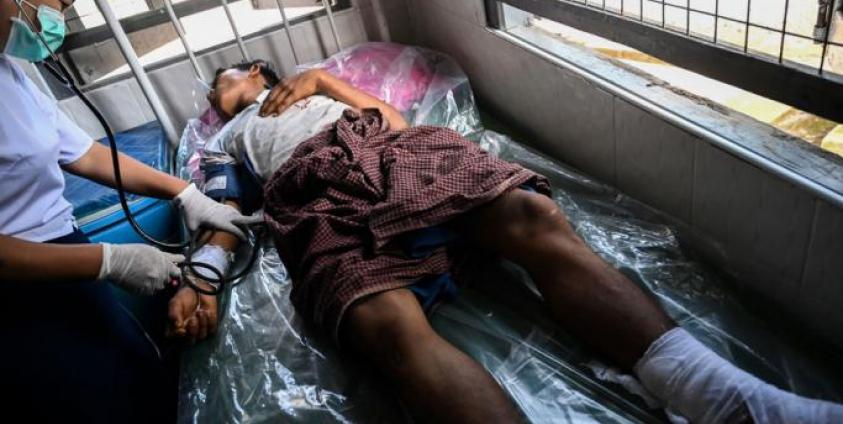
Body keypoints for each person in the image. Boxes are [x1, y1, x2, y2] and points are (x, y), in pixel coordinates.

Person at [172, 60, 843, 423]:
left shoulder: (314, 84)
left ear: (257, 72)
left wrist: (322, 81)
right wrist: (205, 271)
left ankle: (723, 399)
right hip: (309, 192)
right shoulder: (223, 140)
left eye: (223, 79)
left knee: (531, 216)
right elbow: (224, 206)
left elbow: (394, 121)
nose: (214, 93)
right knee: (382, 325)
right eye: (212, 93)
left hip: (381, 148)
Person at [0, 0, 257, 421]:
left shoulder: (9, 72)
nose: (64, 9)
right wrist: (111, 260)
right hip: (17, 291)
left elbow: (85, 154)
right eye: (61, 1)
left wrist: (186, 194)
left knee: (137, 372)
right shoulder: (222, 141)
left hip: (66, 249)